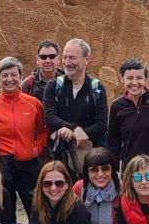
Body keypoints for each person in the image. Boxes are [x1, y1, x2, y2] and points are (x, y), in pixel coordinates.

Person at [0, 56, 47, 217]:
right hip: (3, 164)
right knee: (6, 210)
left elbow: (43, 130)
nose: (10, 79)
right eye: (5, 75)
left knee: (36, 208)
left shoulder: (33, 103)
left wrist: (36, 149)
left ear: (21, 77)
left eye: (14, 75)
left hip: (28, 163)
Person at [42, 38, 108, 175]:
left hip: (92, 159)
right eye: (65, 57)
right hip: (61, 158)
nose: (66, 62)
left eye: (72, 57)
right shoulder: (53, 86)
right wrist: (74, 128)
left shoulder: (97, 88)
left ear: (87, 59)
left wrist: (78, 134)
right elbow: (49, 117)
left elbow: (102, 125)